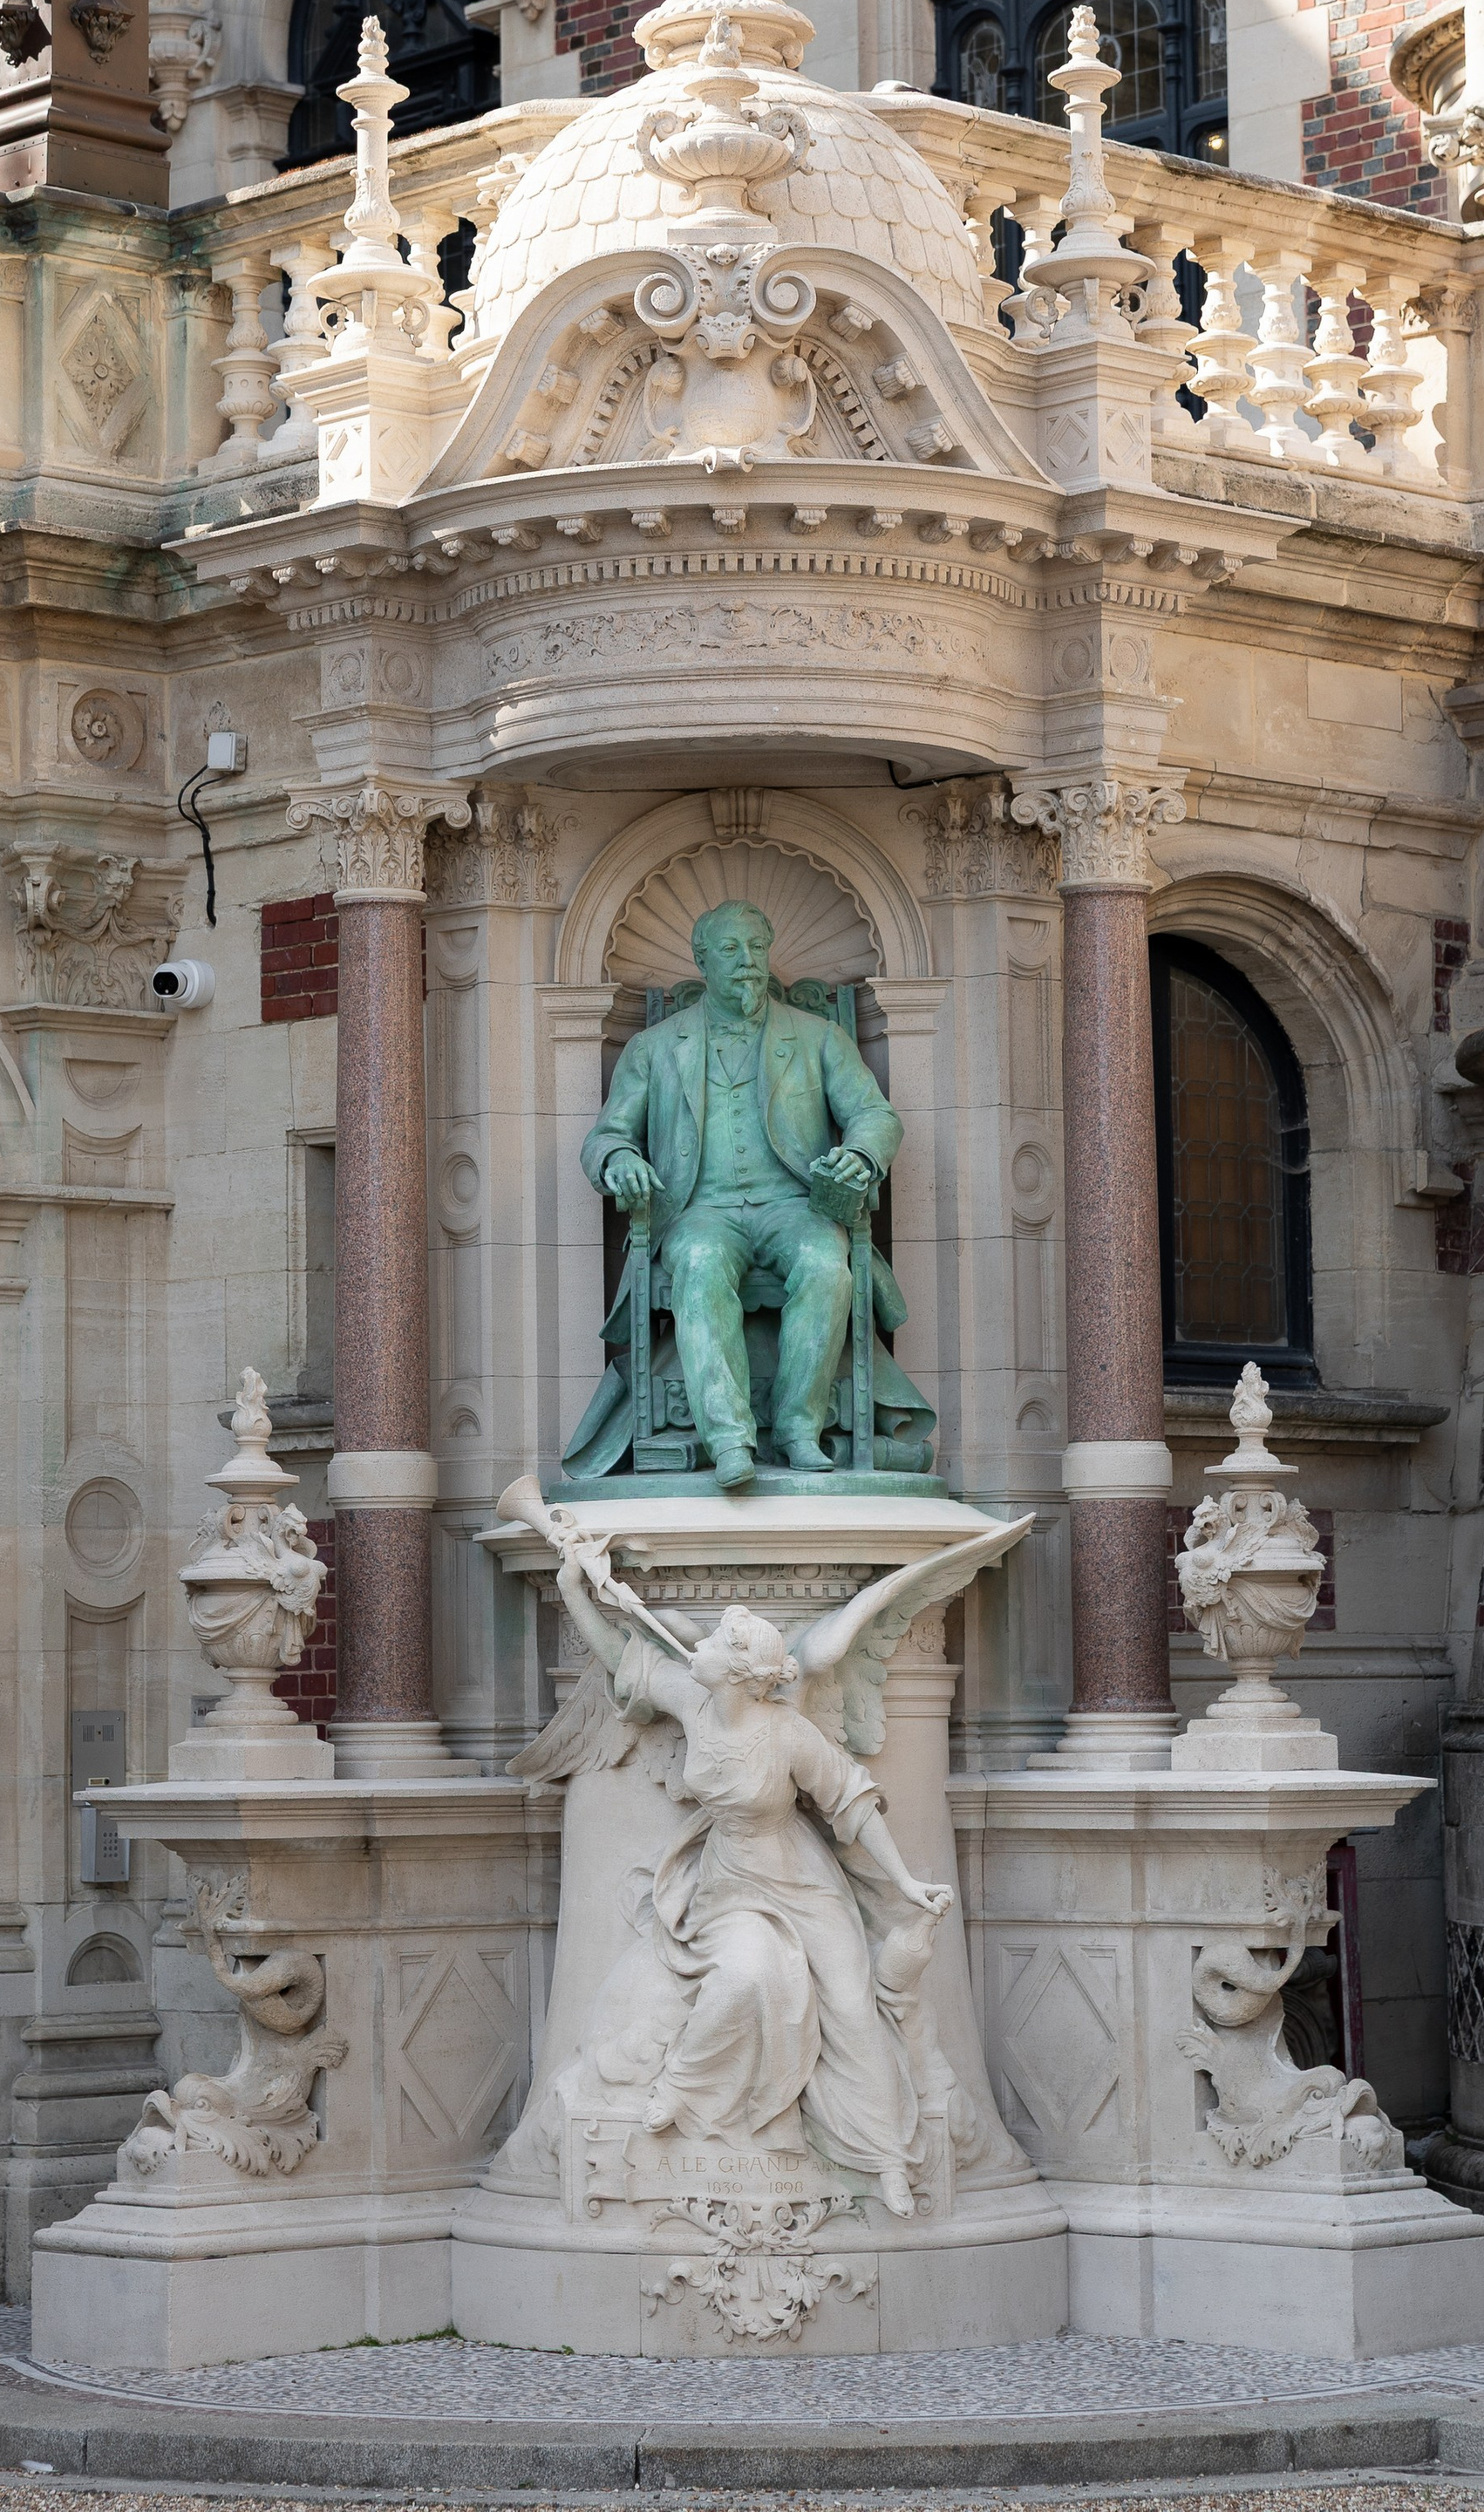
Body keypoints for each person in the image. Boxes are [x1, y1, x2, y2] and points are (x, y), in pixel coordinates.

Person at [550, 1558, 950, 2214]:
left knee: (852, 2010)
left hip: (802, 1881)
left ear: (737, 1672)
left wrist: (905, 1883)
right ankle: (684, 2086)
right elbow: (624, 1657)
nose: (697, 1644)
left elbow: (853, 1804)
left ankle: (885, 2161)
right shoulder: (693, 1700)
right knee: (746, 1977)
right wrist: (574, 1590)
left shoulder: (788, 1732)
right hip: (729, 1881)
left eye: (712, 1643)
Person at [580, 901, 902, 1488]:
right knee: (698, 1266)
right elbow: (606, 1137)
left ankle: (798, 1430)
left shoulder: (817, 1037)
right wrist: (620, 1159)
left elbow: (874, 1116)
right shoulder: (653, 1048)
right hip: (701, 1210)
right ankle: (729, 1439)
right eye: (730, 950)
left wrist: (859, 1155)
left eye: (755, 947)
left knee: (827, 1265)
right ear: (702, 960)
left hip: (793, 1204)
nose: (747, 961)